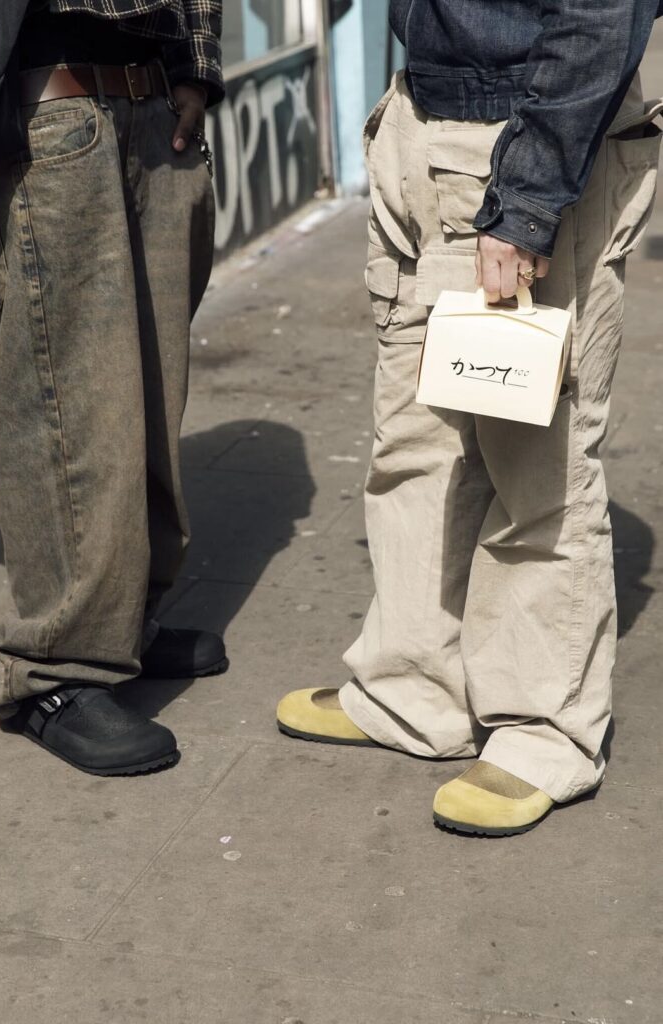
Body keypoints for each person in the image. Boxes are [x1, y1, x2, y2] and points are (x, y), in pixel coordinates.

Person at [277, 0, 663, 835]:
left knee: (540, 467)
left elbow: (600, 14)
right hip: (423, 123)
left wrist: (526, 201)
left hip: (525, 140)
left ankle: (543, 733)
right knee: (417, 442)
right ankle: (414, 691)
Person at [0, 0, 225, 775]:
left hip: (154, 100)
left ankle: (121, 623)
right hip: (51, 101)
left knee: (147, 389)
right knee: (64, 398)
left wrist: (195, 70)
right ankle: (54, 672)